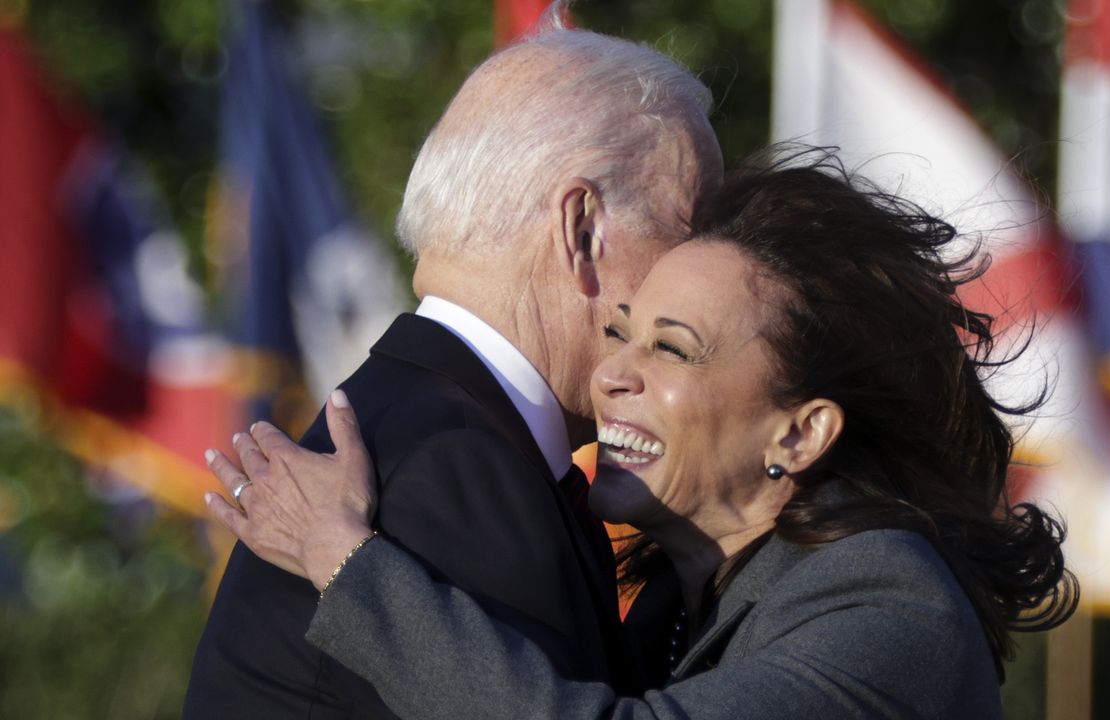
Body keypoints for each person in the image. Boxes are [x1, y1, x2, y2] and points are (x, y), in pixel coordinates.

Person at [207, 148, 1076, 719]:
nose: (613, 373)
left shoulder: (889, 603)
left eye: (673, 349)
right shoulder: (673, 604)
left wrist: (344, 562)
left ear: (803, 433)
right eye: (620, 331)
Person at [183, 13, 723, 719]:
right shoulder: (454, 464)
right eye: (691, 233)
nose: (708, 276)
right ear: (582, 230)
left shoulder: (437, 430)